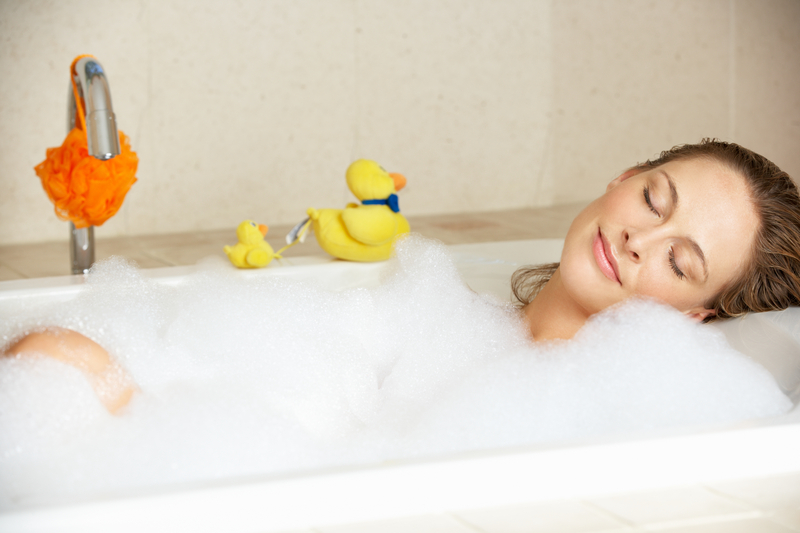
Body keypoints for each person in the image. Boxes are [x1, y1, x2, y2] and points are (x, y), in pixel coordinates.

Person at [4, 139, 800, 413]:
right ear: (624, 177)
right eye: (653, 198)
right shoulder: (454, 320)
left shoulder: (590, 407)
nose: (637, 236)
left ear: (694, 316)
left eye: (678, 260)